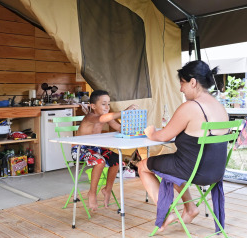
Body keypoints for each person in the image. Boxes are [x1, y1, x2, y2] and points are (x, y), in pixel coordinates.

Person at [137, 60, 229, 231]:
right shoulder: (220, 107)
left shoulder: (191, 107)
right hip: (216, 171)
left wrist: (151, 133)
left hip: (194, 170)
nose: (181, 89)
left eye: (182, 83)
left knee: (143, 166)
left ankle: (166, 214)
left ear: (192, 82)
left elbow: (163, 135)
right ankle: (190, 208)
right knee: (174, 165)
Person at [71, 90, 137, 211]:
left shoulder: (106, 117)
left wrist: (129, 118)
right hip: (80, 149)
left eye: (109, 104)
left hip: (96, 149)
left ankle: (107, 189)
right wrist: (124, 111)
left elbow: (120, 128)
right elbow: (103, 118)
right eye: (103, 104)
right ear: (93, 106)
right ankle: (92, 193)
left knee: (117, 159)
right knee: (100, 161)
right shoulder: (90, 117)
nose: (107, 107)